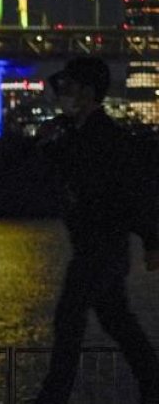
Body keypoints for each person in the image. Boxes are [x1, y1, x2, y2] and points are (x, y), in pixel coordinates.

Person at [32, 57, 159, 404]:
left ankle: (54, 396)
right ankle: (151, 380)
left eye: (70, 88)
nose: (64, 95)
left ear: (87, 93)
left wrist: (152, 240)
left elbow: (134, 194)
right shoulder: (79, 133)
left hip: (100, 248)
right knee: (117, 320)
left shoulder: (104, 138)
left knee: (69, 318)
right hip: (99, 247)